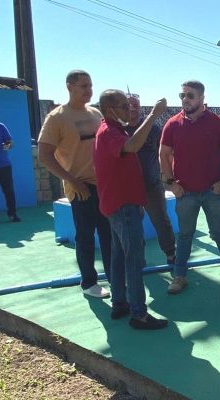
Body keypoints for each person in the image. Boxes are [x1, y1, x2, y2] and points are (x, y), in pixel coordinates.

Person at [159, 80, 220, 294]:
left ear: (202, 98)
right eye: (182, 95)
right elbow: (163, 154)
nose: (185, 100)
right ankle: (179, 277)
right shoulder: (172, 124)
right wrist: (171, 183)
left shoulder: (218, 123)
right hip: (185, 192)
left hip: (212, 191)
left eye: (190, 95)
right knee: (185, 236)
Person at [94, 89, 168, 330]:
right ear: (109, 110)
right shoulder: (109, 133)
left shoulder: (113, 130)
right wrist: (155, 114)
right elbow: (133, 145)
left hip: (119, 204)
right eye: (124, 107)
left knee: (118, 258)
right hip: (123, 205)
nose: (129, 110)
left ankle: (120, 302)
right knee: (134, 259)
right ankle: (139, 313)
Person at [38, 70, 111, 299]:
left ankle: (114, 277)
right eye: (83, 86)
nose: (89, 90)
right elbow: (45, 155)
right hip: (80, 187)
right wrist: (72, 180)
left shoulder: (96, 113)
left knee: (109, 234)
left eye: (90, 86)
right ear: (69, 86)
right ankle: (89, 283)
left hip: (104, 185)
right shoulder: (57, 117)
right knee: (86, 235)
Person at [124, 92, 176, 264]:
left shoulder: (153, 128)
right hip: (128, 188)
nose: (132, 108)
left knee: (161, 220)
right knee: (133, 225)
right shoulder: (119, 130)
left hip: (152, 185)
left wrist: (169, 176)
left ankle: (170, 254)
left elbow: (165, 152)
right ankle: (139, 258)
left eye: (136, 105)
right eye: (128, 105)